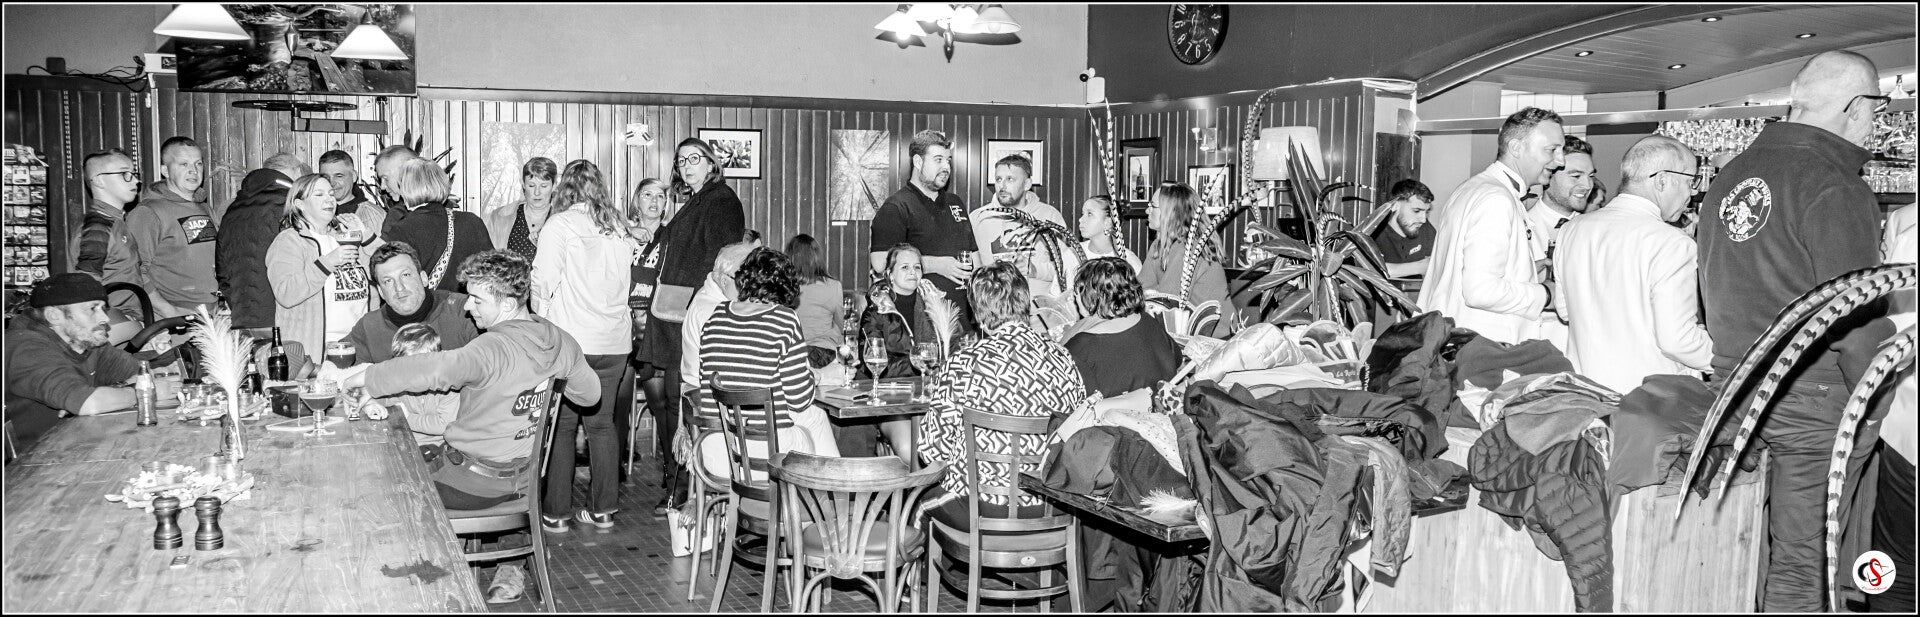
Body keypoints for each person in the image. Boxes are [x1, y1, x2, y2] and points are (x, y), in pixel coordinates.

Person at [1696, 50, 1893, 612]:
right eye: (1878, 108)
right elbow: (1852, 319)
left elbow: (1712, 286)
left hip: (1733, 385)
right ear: (1857, 107)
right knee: (1803, 563)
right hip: (1811, 396)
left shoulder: (1733, 174)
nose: (1877, 122)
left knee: (1737, 549)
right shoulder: (1834, 184)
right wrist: (1876, 394)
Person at [343, 249, 599, 605]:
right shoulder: (560, 340)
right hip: (524, 480)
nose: (467, 306)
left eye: (477, 299)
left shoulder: (490, 348)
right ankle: (457, 566)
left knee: (381, 487)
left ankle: (419, 595)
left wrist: (368, 378)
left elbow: (436, 368)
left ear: (507, 304)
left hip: (471, 484)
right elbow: (590, 395)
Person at [919, 261, 1089, 527]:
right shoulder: (1063, 358)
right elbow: (1079, 429)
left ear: (978, 314)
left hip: (981, 508)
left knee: (917, 506)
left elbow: (932, 451)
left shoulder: (963, 363)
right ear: (1025, 302)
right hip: (1052, 506)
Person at [1554, 135, 1713, 394]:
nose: (1692, 193)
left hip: (1585, 394)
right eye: (1690, 181)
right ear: (1662, 180)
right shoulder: (1672, 242)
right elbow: (1677, 341)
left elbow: (1565, 311)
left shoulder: (1571, 229)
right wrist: (1729, 361)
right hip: (1648, 401)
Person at [531, 160, 637, 532]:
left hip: (572, 342)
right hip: (614, 342)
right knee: (602, 425)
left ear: (565, 190)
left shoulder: (559, 225)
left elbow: (542, 281)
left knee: (562, 426)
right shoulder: (619, 228)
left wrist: (540, 325)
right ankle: (603, 510)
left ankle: (557, 513)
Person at [693, 247, 841, 480]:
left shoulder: (716, 316)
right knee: (814, 418)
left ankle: (822, 494)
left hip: (717, 452)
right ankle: (830, 493)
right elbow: (799, 400)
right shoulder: (784, 319)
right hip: (763, 458)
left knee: (813, 418)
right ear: (786, 288)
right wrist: (817, 376)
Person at [1420, 107, 1565, 345]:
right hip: (1482, 350)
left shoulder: (1473, 188)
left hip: (1458, 342)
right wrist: (1547, 294)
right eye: (1552, 150)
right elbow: (1480, 291)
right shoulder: (1496, 198)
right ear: (1516, 148)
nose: (1560, 161)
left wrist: (1525, 270)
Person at [4, 274, 176, 449]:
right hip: (42, 457)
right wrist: (145, 393)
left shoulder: (85, 339)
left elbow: (141, 375)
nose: (105, 318)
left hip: (83, 441)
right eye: (92, 309)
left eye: (103, 308)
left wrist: (114, 392)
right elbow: (90, 403)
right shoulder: (27, 347)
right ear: (54, 316)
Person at [641, 136, 745, 411]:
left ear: (711, 164)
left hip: (695, 307)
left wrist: (697, 303)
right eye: (682, 160)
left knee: (681, 398)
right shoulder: (698, 199)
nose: (687, 165)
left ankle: (681, 442)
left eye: (694, 159)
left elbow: (721, 260)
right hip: (678, 305)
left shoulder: (721, 200)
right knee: (671, 394)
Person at [267, 174, 385, 368]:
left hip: (359, 346)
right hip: (316, 354)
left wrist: (365, 234)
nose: (329, 199)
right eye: (319, 194)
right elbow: (286, 294)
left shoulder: (344, 237)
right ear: (300, 204)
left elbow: (388, 265)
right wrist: (327, 263)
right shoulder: (289, 241)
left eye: (331, 194)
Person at [869, 129, 975, 307]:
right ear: (918, 161)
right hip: (918, 315)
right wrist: (936, 264)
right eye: (938, 160)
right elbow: (880, 263)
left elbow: (975, 257)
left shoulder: (955, 202)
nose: (946, 167)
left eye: (948, 160)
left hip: (965, 314)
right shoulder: (896, 207)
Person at [1063, 257, 1181, 399]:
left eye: (1077, 293)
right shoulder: (1148, 321)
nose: (1075, 298)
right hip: (1166, 405)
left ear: (1092, 298)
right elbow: (1177, 359)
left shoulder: (1082, 344)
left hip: (1115, 413)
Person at [345, 241, 479, 365]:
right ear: (381, 292)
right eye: (388, 281)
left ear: (424, 278)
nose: (399, 287)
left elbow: (486, 362)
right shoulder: (369, 327)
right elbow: (338, 368)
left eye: (406, 275)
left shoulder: (463, 310)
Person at [127, 136, 218, 318]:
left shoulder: (204, 208)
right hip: (173, 319)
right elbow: (134, 271)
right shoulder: (148, 212)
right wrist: (168, 311)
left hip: (209, 314)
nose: (193, 171)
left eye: (198, 164)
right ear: (165, 171)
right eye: (183, 164)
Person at [218, 153, 307, 330]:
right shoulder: (292, 205)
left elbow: (222, 272)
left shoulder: (232, 209)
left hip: (242, 319)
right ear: (298, 171)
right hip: (286, 320)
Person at [383, 157, 495, 294]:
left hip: (426, 306)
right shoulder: (471, 221)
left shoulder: (400, 229)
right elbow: (493, 273)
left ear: (406, 189)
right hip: (467, 305)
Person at [1137, 182, 1230, 336]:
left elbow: (1167, 301)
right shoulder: (1158, 246)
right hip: (1184, 332)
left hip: (1213, 337)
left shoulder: (1188, 249)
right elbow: (1141, 288)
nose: (1147, 210)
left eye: (1152, 206)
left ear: (1171, 212)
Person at [971, 154, 1067, 292]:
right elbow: (969, 266)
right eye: (998, 179)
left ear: (1027, 184)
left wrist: (1035, 270)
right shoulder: (978, 217)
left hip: (1037, 304)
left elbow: (1067, 267)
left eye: (1010, 179)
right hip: (991, 302)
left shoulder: (1049, 216)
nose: (1002, 186)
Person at [360, 323, 459, 448]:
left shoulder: (449, 387)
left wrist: (407, 417)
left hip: (439, 446)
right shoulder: (399, 381)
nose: (412, 372)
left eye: (419, 365)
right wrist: (370, 405)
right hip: (402, 441)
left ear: (436, 361)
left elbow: (444, 425)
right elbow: (376, 395)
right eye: (405, 366)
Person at [70, 150, 141, 316]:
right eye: (124, 174)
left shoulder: (115, 222)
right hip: (112, 322)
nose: (136, 181)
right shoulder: (98, 227)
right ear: (99, 181)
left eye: (133, 174)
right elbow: (87, 288)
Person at [1530, 135, 1596, 260]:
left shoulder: (1594, 228)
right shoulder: (1520, 229)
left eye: (1591, 176)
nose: (1588, 185)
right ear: (1547, 176)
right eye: (1576, 176)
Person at [786, 234, 844, 369]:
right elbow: (842, 325)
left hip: (791, 354)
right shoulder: (833, 286)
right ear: (817, 257)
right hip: (824, 353)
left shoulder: (784, 287)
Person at [485, 157, 558, 261]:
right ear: (523, 184)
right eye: (531, 186)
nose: (537, 192)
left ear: (554, 186)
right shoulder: (498, 218)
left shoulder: (564, 220)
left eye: (543, 186)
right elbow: (487, 260)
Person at [1368, 179, 1437, 279]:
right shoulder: (1373, 232)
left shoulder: (1425, 228)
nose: (1423, 220)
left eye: (1426, 212)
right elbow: (1367, 270)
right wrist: (1419, 267)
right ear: (1395, 205)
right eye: (1416, 211)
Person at [1076, 195, 1142, 275]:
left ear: (1108, 223)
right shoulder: (1073, 253)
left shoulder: (1128, 261)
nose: (1080, 219)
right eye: (1082, 214)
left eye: (1090, 214)